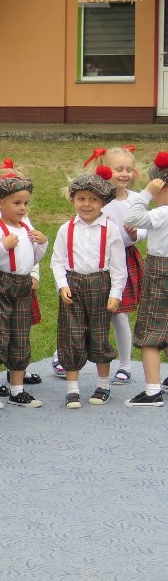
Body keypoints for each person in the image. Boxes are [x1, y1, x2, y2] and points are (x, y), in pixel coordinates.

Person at [50, 168, 127, 408]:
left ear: (103, 202)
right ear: (73, 199)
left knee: (98, 335)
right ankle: (72, 388)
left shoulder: (110, 229)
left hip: (100, 286)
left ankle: (103, 385)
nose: (87, 204)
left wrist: (115, 294)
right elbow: (57, 261)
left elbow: (118, 267)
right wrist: (62, 285)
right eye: (81, 199)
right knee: (71, 335)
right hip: (73, 286)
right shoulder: (66, 229)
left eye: (93, 200)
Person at [0, 172, 48, 409]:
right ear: (0, 203)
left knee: (20, 337)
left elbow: (33, 256)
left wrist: (42, 243)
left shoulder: (26, 225)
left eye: (25, 203)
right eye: (17, 203)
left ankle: (17, 390)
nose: (23, 208)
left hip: (22, 285)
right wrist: (3, 247)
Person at [83, 146, 147, 386]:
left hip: (125, 261)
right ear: (105, 170)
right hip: (97, 262)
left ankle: (125, 364)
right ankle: (65, 356)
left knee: (119, 316)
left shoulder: (137, 200)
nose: (125, 174)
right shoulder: (98, 200)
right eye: (119, 168)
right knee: (84, 312)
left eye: (129, 169)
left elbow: (144, 228)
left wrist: (136, 234)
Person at [124, 152, 168, 406]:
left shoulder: (162, 211)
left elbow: (134, 216)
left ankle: (152, 392)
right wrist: (139, 232)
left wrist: (145, 195)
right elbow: (150, 230)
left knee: (151, 330)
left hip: (160, 271)